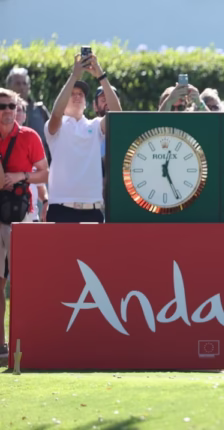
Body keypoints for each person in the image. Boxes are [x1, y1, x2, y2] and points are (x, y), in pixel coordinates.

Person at [0, 87, 50, 358]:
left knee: (23, 281)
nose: (7, 111)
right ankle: (1, 344)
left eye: (11, 106)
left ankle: (27, 342)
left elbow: (44, 174)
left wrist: (21, 176)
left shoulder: (29, 136)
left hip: (21, 217)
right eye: (2, 107)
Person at [44, 52, 121, 223]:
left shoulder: (95, 125)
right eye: (72, 93)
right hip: (61, 209)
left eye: (81, 94)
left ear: (86, 103)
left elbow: (117, 114)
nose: (77, 96)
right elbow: (56, 114)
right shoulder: (55, 126)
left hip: (93, 210)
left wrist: (100, 74)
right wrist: (74, 76)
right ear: (63, 101)